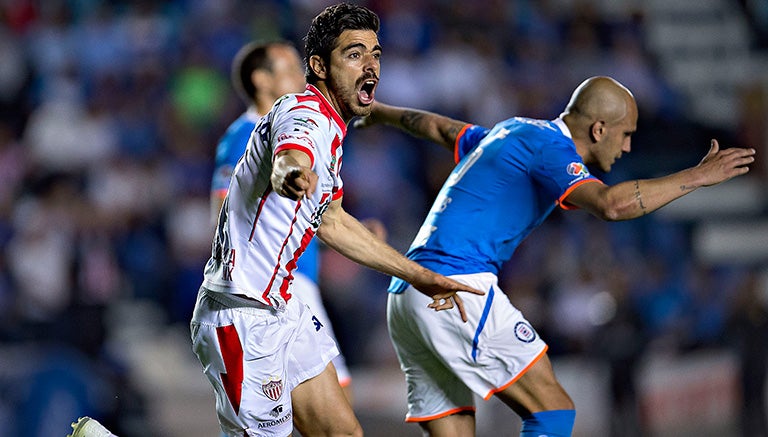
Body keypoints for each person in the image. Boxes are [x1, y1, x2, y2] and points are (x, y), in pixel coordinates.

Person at [355, 76, 755, 436]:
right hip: (456, 286)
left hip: (405, 293)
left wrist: (382, 113)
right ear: (599, 130)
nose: (629, 146)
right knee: (553, 412)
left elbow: (439, 127)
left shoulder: (512, 131)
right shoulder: (550, 147)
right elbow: (612, 205)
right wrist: (698, 176)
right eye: (626, 134)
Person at [190, 4, 482, 437]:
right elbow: (290, 156)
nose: (371, 65)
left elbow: (332, 221)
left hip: (283, 307)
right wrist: (288, 173)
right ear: (319, 66)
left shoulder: (333, 128)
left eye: (376, 54)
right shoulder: (303, 116)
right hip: (242, 315)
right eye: (354, 54)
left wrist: (419, 275)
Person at [210, 40, 354, 402]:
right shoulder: (245, 135)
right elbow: (224, 209)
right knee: (335, 402)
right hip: (281, 289)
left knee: (296, 413)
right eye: (289, 69)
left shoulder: (288, 128)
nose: (300, 77)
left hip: (293, 282)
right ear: (262, 80)